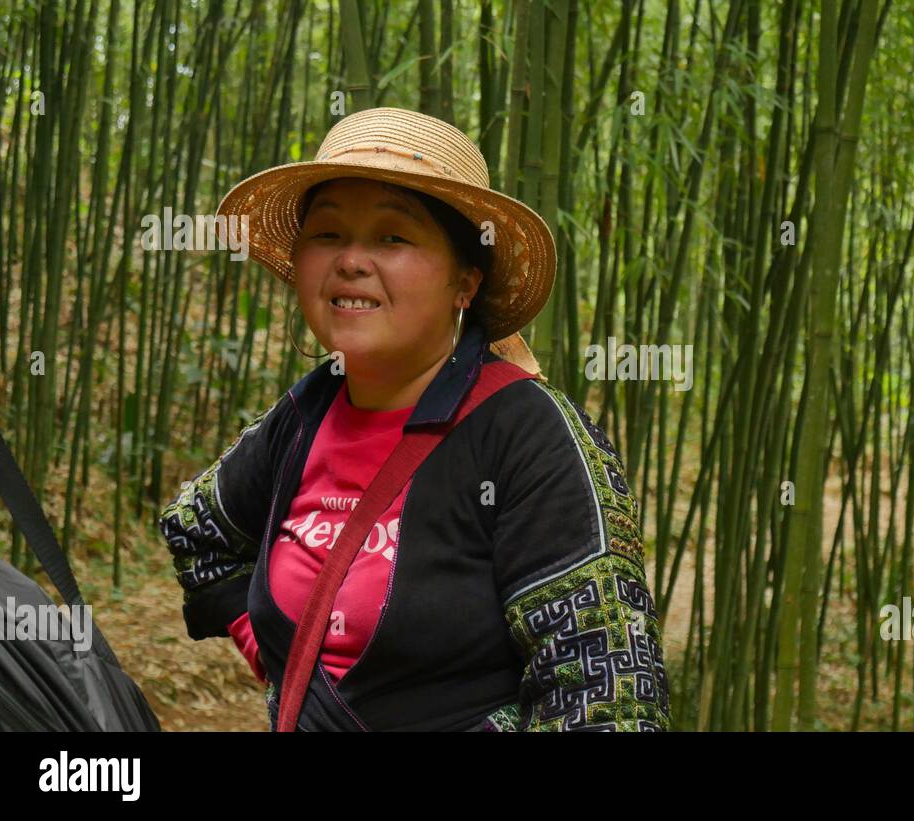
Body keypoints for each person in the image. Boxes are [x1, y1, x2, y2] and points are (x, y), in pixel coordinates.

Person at [158, 107, 669, 731]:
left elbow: (607, 696)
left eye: (392, 237)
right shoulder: (303, 416)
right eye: (327, 234)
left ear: (465, 282)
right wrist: (290, 670)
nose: (350, 260)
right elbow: (197, 529)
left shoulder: (532, 437)